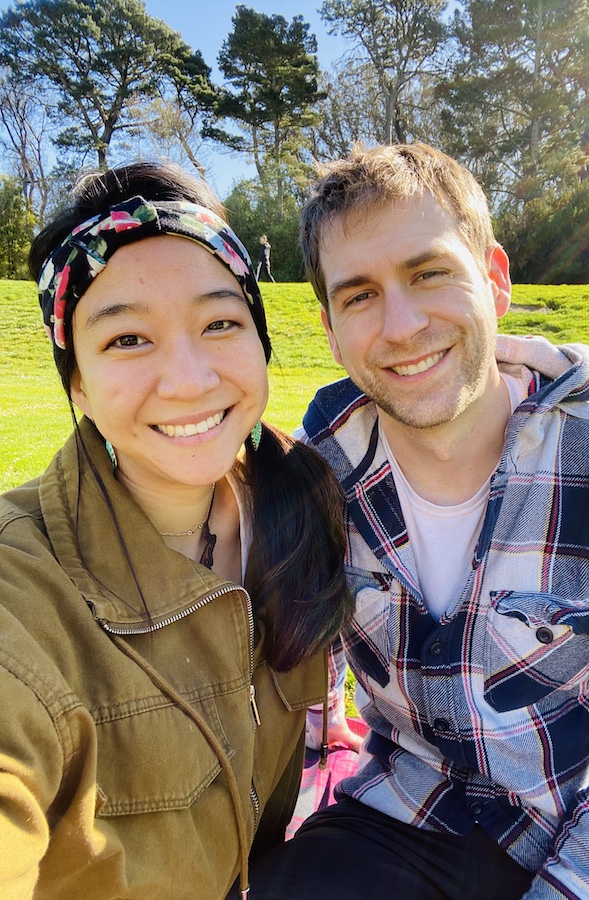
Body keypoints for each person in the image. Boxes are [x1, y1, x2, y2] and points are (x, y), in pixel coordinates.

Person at [242, 143, 589, 899]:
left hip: (587, 832)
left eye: (428, 272)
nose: (402, 325)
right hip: (403, 811)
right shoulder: (316, 482)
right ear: (329, 327)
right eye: (359, 294)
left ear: (495, 278)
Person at [0, 161, 353, 900]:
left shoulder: (306, 494)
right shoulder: (22, 592)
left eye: (220, 322)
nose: (189, 378)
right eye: (128, 339)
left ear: (260, 341)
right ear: (76, 382)